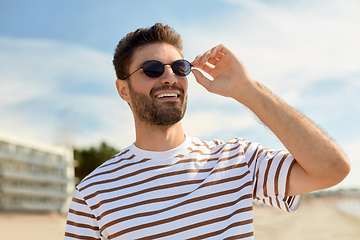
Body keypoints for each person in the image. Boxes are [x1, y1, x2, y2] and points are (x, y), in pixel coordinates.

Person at [64, 23, 350, 240]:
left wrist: (247, 90)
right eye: (152, 69)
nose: (169, 77)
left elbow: (331, 168)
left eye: (179, 67)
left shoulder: (236, 160)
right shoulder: (93, 192)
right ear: (123, 89)